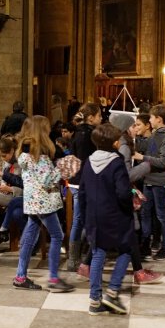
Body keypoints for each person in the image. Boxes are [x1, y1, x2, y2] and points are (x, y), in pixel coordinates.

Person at [12, 115, 73, 292]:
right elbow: (48, 180)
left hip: (33, 202)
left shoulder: (25, 153)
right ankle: (53, 279)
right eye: (46, 128)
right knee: (57, 236)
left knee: (29, 237)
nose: (49, 131)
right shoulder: (39, 156)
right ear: (41, 131)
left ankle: (20, 276)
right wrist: (63, 168)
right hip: (43, 202)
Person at [79, 123, 134, 314]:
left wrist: (85, 215)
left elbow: (83, 191)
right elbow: (123, 193)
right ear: (116, 143)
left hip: (93, 215)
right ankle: (112, 292)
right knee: (127, 248)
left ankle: (95, 301)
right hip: (114, 214)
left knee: (98, 254)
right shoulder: (116, 162)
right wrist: (129, 207)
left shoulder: (88, 161)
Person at [138, 103, 165, 261]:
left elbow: (162, 161)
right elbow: (147, 148)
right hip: (149, 179)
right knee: (145, 212)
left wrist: (142, 157)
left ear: (159, 119)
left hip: (160, 180)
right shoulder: (156, 134)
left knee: (161, 215)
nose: (150, 120)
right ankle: (145, 244)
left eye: (151, 118)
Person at [67, 103, 102, 271]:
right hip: (82, 182)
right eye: (99, 116)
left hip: (78, 181)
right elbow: (88, 162)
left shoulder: (79, 133)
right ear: (90, 118)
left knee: (82, 220)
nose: (101, 119)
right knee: (79, 220)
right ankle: (73, 259)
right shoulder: (86, 136)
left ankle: (81, 255)